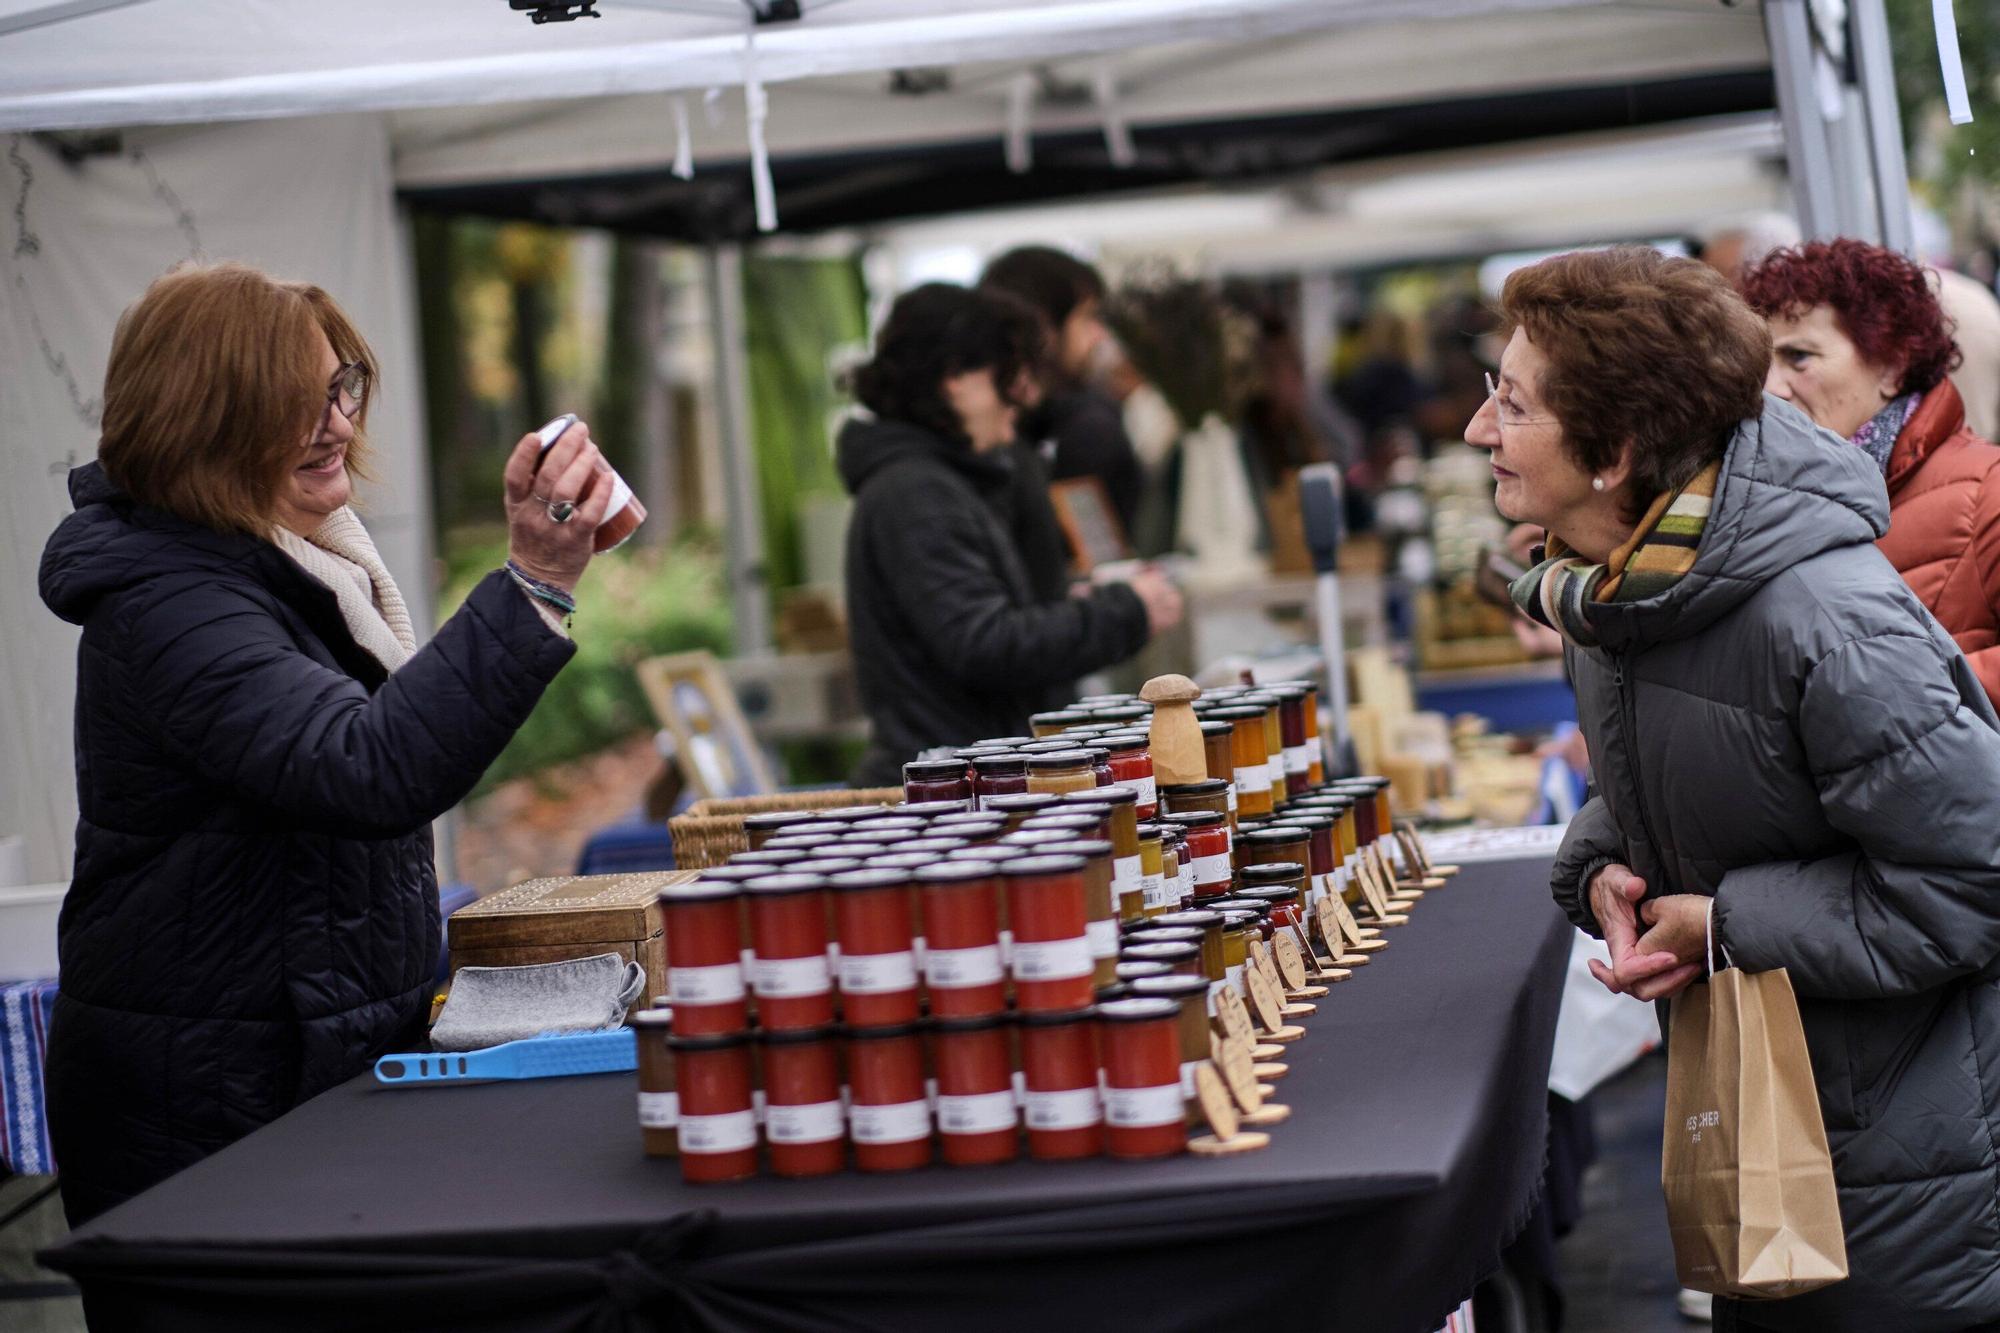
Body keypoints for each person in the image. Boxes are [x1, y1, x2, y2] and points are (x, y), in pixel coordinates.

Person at [1471, 246, 2000, 1332]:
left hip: (1909, 1200)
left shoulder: (1827, 621)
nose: (1480, 430)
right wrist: (1602, 866)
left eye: (1511, 404)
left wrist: (1724, 923)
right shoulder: (1621, 600)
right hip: (1775, 1157)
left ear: (1613, 453)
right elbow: (1702, 778)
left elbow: (1973, 883)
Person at [38, 262, 606, 1225]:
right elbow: (368, 765)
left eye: (339, 387)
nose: (336, 422)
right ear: (197, 418)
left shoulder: (282, 558)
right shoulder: (170, 601)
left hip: (279, 1075)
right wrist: (533, 583)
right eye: (292, 403)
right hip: (214, 1111)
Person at [838, 284, 1180, 786]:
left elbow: (982, 624)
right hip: (948, 795)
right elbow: (984, 644)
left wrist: (1079, 604)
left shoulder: (937, 482)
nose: (1020, 399)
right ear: (955, 379)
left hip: (963, 779)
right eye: (1007, 377)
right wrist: (1126, 610)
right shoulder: (917, 493)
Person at [1743, 238, 2000, 707]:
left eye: (1798, 357)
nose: (1772, 388)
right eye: (1763, 363)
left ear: (1893, 365)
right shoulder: (1764, 501)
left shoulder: (1988, 492)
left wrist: (1915, 700)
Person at [979, 246, 1145, 539]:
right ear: (1041, 323)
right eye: (1086, 317)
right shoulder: (1084, 426)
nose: (1099, 335)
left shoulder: (1077, 420)